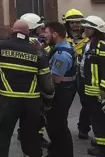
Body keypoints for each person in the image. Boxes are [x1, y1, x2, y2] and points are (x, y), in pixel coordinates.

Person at [0, 19, 54, 157]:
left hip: (8, 100)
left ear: (12, 30)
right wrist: (48, 101)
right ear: (28, 33)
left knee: (1, 135)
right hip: (32, 103)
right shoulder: (37, 52)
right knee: (31, 137)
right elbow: (47, 83)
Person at [78, 15, 105, 156]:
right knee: (97, 119)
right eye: (86, 27)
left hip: (100, 91)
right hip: (91, 89)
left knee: (102, 120)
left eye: (89, 28)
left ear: (97, 29)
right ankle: (101, 143)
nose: (86, 29)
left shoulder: (103, 46)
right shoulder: (89, 44)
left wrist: (104, 89)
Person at [43, 21, 77, 157]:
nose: (43, 35)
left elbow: (55, 79)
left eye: (46, 33)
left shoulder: (61, 54)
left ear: (55, 34)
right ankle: (56, 152)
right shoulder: (60, 47)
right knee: (56, 125)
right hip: (64, 92)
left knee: (58, 126)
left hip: (61, 93)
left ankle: (63, 153)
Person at [19, 12, 51, 148]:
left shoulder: (19, 40)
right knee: (38, 112)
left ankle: (23, 132)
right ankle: (37, 136)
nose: (41, 30)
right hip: (36, 82)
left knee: (23, 111)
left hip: (21, 81)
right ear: (34, 28)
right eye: (39, 27)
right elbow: (45, 57)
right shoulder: (36, 42)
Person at [63, 8, 91, 140]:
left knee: (86, 103)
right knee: (63, 103)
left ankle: (83, 128)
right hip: (67, 75)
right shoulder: (62, 38)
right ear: (67, 24)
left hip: (83, 74)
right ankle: (61, 128)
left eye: (78, 22)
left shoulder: (89, 37)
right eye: (72, 22)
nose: (75, 25)